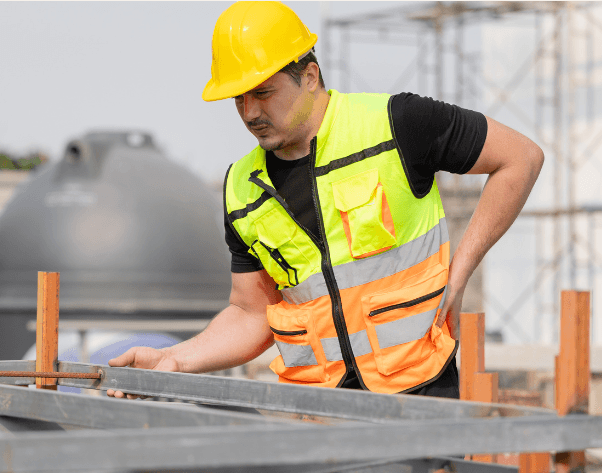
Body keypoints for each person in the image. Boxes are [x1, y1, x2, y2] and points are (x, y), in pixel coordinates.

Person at [107, 1, 542, 399]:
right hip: (319, 413)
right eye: (238, 98)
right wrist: (175, 360)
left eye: (262, 92)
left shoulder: (397, 124)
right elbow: (250, 313)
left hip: (421, 397)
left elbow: (520, 158)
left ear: (309, 76)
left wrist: (461, 270)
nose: (250, 112)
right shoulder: (241, 186)